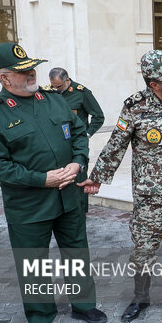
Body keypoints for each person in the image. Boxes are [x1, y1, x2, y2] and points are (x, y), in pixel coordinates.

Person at [79, 50, 162, 323]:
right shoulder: (135, 106)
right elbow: (116, 145)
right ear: (154, 84)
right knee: (144, 250)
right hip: (150, 196)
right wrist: (97, 176)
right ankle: (140, 298)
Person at [0, 42, 107, 323]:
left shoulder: (53, 100)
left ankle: (83, 305)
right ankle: (41, 317)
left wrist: (77, 161)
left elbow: (79, 133)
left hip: (69, 196)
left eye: (31, 68)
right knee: (33, 262)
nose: (31, 74)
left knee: (76, 251)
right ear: (4, 79)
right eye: (23, 71)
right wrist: (41, 179)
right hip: (29, 204)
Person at [49, 67, 105, 218]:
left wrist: (86, 134)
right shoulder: (49, 93)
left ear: (67, 80)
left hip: (77, 144)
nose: (57, 90)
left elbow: (98, 116)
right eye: (53, 86)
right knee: (61, 175)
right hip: (58, 144)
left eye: (59, 86)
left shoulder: (81, 92)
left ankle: (81, 211)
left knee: (79, 177)